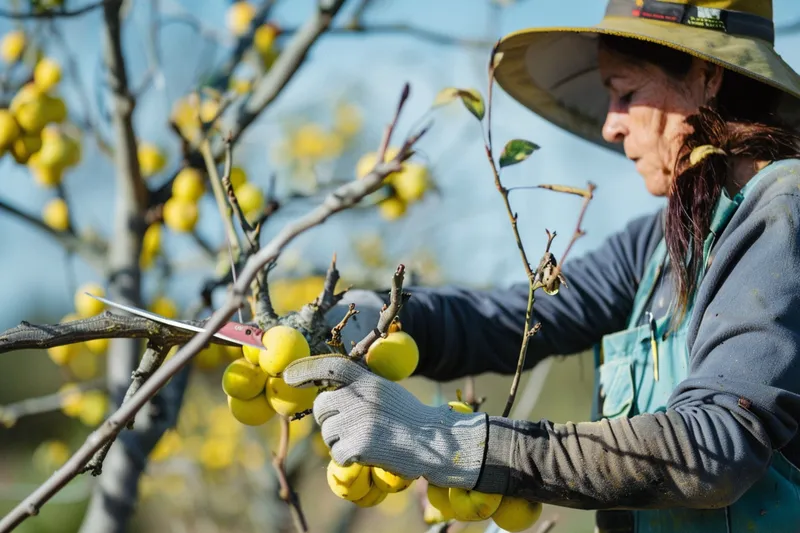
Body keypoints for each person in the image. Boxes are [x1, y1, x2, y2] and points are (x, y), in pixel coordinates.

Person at [283, 1, 800, 531]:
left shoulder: (783, 207)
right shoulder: (660, 246)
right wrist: (374, 316)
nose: (609, 126)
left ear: (707, 75)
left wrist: (450, 443)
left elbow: (713, 448)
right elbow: (513, 318)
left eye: (626, 93)